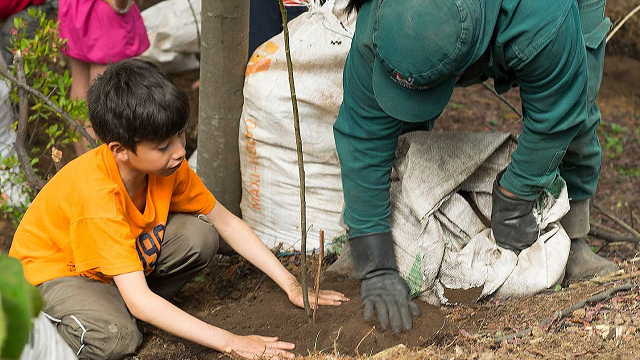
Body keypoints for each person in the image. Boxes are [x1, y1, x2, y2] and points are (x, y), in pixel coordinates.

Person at [9, 59, 348, 360]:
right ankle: (52, 330)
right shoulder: (99, 197)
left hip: (113, 269)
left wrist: (291, 284)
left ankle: (125, 307)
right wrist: (232, 342)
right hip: (53, 276)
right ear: (120, 150)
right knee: (117, 338)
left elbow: (226, 223)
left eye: (180, 137)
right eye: (163, 146)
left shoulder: (167, 168)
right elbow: (140, 300)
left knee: (199, 235)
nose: (180, 151)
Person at [332, 0, 619, 334]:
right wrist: (374, 261)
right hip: (454, 27)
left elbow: (558, 114)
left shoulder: (542, 19)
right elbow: (362, 134)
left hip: (548, 15)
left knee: (576, 110)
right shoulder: (382, 22)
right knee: (396, 116)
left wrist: (515, 194)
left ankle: (573, 236)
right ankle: (395, 234)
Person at [57, 0, 149, 156]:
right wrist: (121, 4)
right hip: (106, 15)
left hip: (76, 7)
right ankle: (101, 166)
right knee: (105, 101)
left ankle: (85, 162)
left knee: (81, 89)